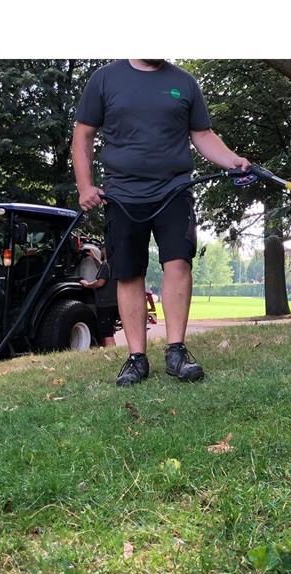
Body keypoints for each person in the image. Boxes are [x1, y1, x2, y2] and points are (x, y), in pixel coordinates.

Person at [72, 59, 250, 386]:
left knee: (179, 263)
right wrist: (84, 186)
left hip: (175, 190)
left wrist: (232, 160)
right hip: (122, 194)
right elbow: (83, 135)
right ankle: (136, 359)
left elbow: (203, 134)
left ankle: (176, 352)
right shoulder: (104, 80)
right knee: (128, 273)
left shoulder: (184, 83)